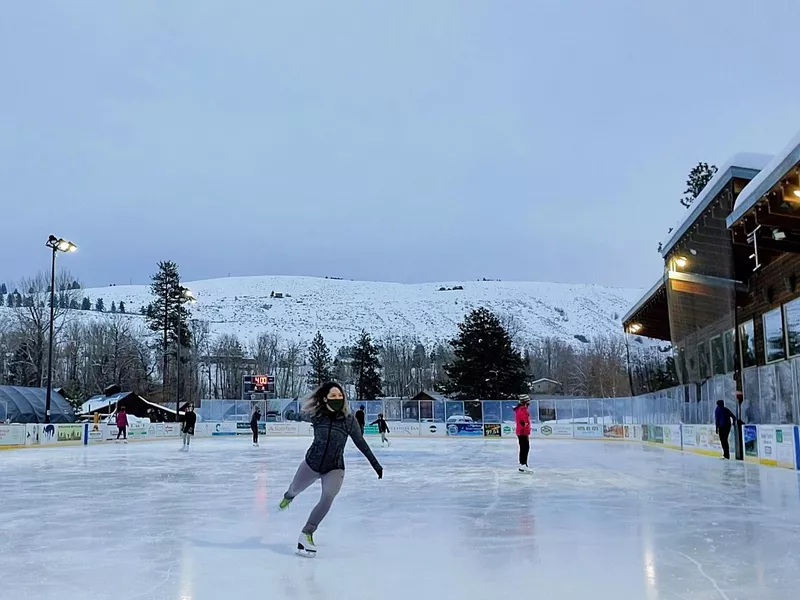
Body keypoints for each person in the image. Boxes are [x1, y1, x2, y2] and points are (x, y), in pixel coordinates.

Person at [279, 382, 383, 557]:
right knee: (294, 489)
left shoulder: (349, 420)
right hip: (312, 464)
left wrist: (375, 464)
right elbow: (299, 416)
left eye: (340, 396)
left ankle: (307, 533)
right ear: (325, 398)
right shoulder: (317, 416)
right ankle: (288, 497)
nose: (337, 399)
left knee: (328, 496)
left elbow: (361, 443)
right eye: (333, 396)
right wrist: (288, 414)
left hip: (334, 467)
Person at [514, 398, 532, 473]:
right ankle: (523, 464)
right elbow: (525, 421)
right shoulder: (523, 410)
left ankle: (522, 464)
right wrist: (526, 424)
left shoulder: (519, 409)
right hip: (523, 432)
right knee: (525, 448)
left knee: (523, 447)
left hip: (521, 431)